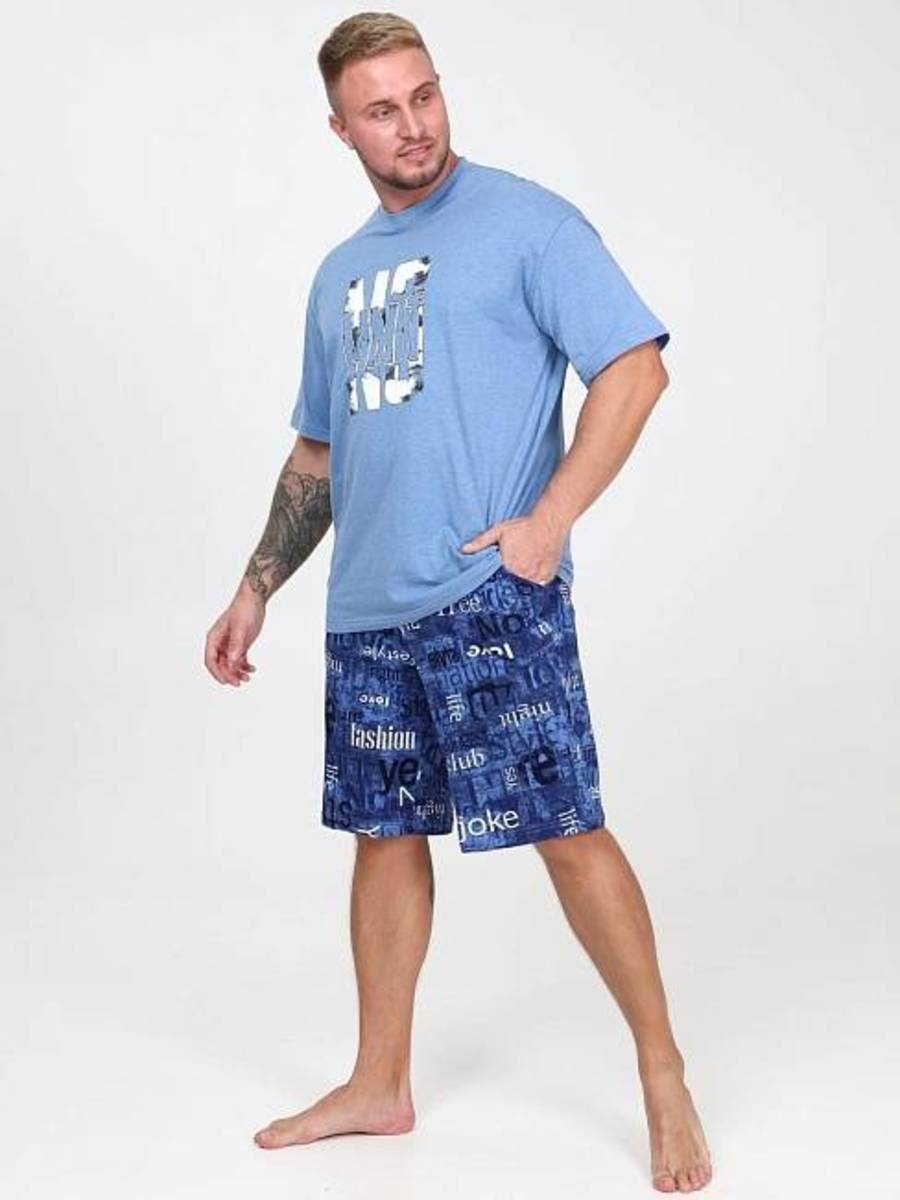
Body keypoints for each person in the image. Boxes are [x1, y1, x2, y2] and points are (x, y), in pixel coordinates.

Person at [204, 11, 712, 1194]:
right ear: (341, 129)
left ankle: (661, 1067)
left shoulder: (529, 223)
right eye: (382, 110)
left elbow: (635, 368)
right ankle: (379, 1081)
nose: (414, 125)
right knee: (385, 839)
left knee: (564, 826)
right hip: (367, 610)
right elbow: (319, 452)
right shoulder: (338, 276)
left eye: (424, 95)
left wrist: (549, 522)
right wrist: (255, 586)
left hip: (490, 596)